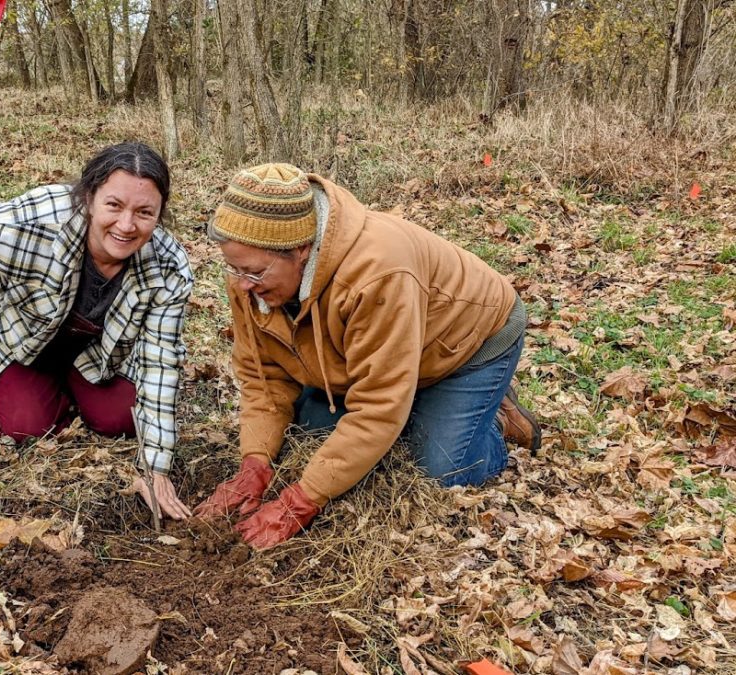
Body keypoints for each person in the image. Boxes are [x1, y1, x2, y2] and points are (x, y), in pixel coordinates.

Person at [193, 163, 541, 548]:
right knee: (310, 431)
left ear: (301, 251)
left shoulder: (377, 273)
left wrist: (302, 501)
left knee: (441, 469)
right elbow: (264, 378)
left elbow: (377, 404)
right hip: (389, 349)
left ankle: (494, 422)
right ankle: (420, 405)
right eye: (233, 268)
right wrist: (254, 463)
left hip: (466, 343)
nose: (242, 284)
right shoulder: (248, 277)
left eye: (255, 273)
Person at [0, 142, 194, 520]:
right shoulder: (34, 222)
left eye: (144, 213)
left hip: (91, 355)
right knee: (28, 428)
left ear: (160, 215)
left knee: (124, 419)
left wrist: (156, 469)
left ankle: (74, 389)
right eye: (114, 205)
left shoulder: (168, 268)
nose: (127, 226)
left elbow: (161, 361)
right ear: (90, 197)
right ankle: (39, 394)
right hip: (17, 338)